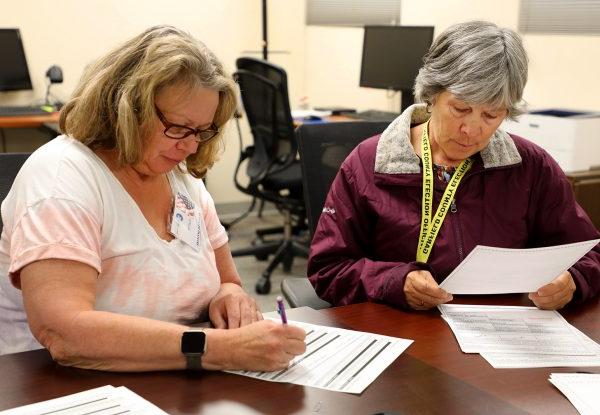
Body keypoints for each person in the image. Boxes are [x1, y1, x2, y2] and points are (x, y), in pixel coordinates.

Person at [0, 25, 306, 371]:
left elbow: (228, 280)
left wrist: (231, 297)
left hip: (177, 375)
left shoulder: (179, 177)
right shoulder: (62, 178)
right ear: (126, 107)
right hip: (65, 388)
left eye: (202, 131)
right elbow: (65, 334)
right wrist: (219, 348)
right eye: (178, 127)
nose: (191, 146)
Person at [307, 20, 600, 311]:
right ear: (432, 93)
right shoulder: (368, 164)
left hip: (502, 333)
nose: (471, 131)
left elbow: (590, 252)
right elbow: (328, 269)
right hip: (407, 333)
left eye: (491, 115)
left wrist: (573, 280)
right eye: (461, 109)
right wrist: (395, 282)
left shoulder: (530, 167)